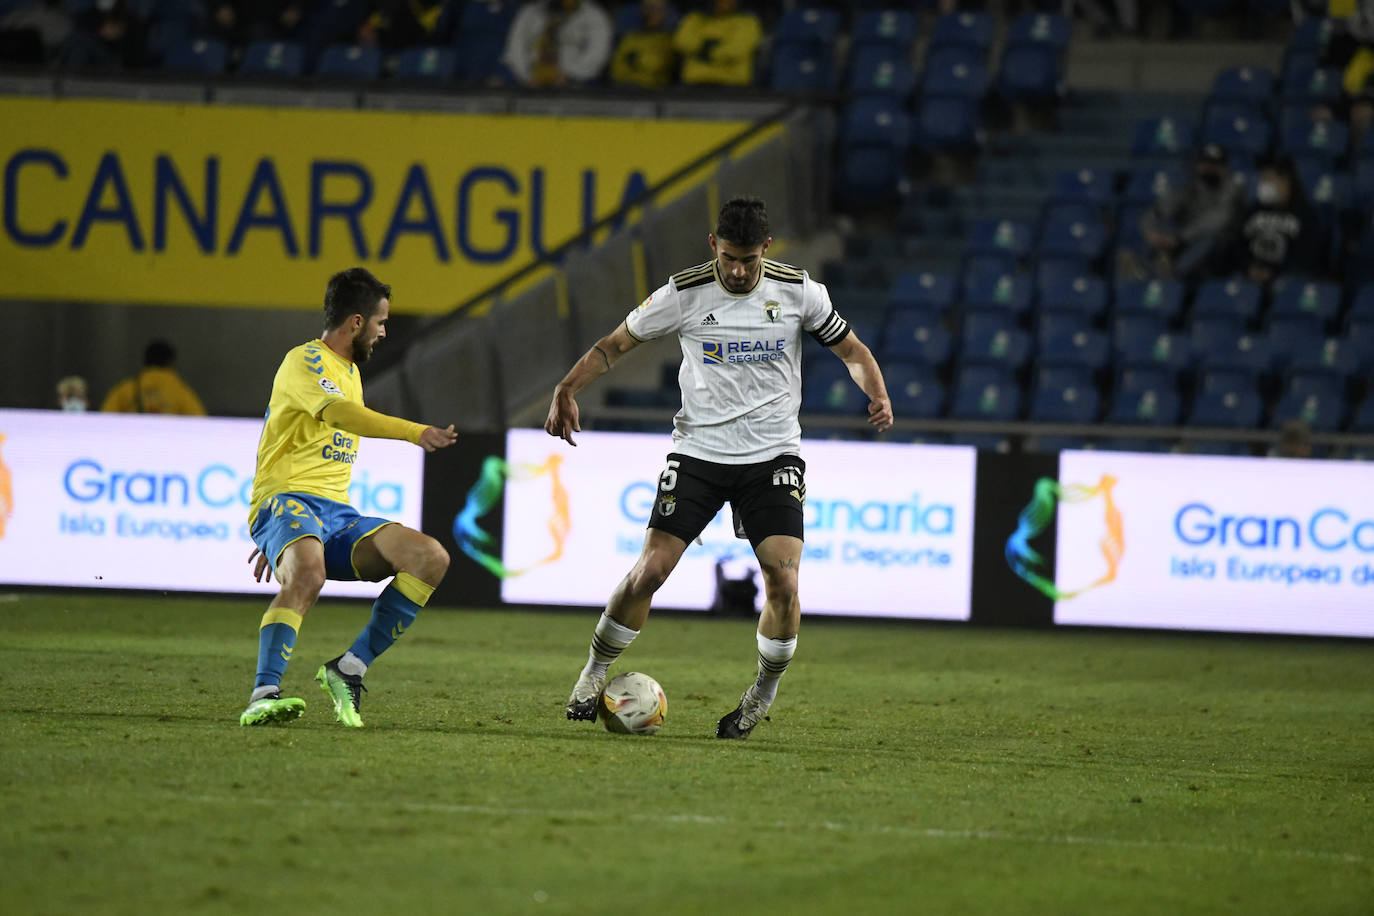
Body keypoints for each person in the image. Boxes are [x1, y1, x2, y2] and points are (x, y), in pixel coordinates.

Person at [544, 197, 893, 739]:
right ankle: (592, 675)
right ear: (713, 246)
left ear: (765, 250)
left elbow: (852, 350)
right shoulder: (683, 293)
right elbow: (614, 346)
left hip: (773, 454)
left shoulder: (799, 291)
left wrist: (877, 391)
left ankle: (761, 696)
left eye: (748, 260)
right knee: (651, 571)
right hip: (699, 453)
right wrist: (567, 387)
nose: (737, 270)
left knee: (783, 579)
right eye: (729, 257)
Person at [239, 267, 459, 728]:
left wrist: (293, 540)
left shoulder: (351, 373)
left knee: (430, 558)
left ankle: (349, 669)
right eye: (380, 321)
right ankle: (264, 693)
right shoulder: (305, 360)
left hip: (335, 515)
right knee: (308, 574)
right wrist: (415, 432)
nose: (384, 331)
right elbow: (340, 414)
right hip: (287, 499)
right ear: (356, 322)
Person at [1130, 143, 1243, 284]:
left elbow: (1216, 221)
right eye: (1205, 163)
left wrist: (1179, 238)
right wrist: (1151, 231)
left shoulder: (1232, 189)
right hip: (1185, 241)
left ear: (1224, 168)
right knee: (1163, 227)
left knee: (1212, 239)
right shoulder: (1190, 187)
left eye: (1214, 164)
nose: (1209, 168)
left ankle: (1172, 273)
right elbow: (1158, 210)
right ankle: (1142, 269)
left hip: (1222, 247)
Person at [1225, 156, 1323, 287]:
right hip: (1251, 272)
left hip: (1285, 276)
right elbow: (1239, 244)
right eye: (1262, 180)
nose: (1263, 185)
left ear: (1286, 182)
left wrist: (1274, 271)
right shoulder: (1254, 210)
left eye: (1268, 180)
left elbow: (1306, 254)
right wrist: (1248, 267)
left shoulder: (1304, 214)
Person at [502, 0, 613, 87]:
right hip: (530, 84)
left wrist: (569, 75)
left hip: (577, 86)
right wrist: (527, 77)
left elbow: (598, 54)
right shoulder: (530, 12)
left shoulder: (593, 14)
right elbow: (515, 48)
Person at [100, 339, 208, 416]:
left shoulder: (126, 389)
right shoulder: (180, 391)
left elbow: (106, 416)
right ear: (171, 362)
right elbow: (199, 421)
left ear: (145, 361)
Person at [672, 0, 761, 87]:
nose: (724, 3)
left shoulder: (748, 22)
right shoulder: (695, 18)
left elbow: (735, 51)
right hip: (694, 82)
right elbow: (681, 42)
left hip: (733, 85)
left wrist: (703, 50)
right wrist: (717, 47)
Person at [608, 0, 678, 89]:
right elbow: (617, 67)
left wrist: (636, 59)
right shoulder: (631, 37)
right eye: (648, 8)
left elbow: (656, 65)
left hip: (652, 89)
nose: (651, 13)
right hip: (622, 86)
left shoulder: (667, 40)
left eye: (657, 9)